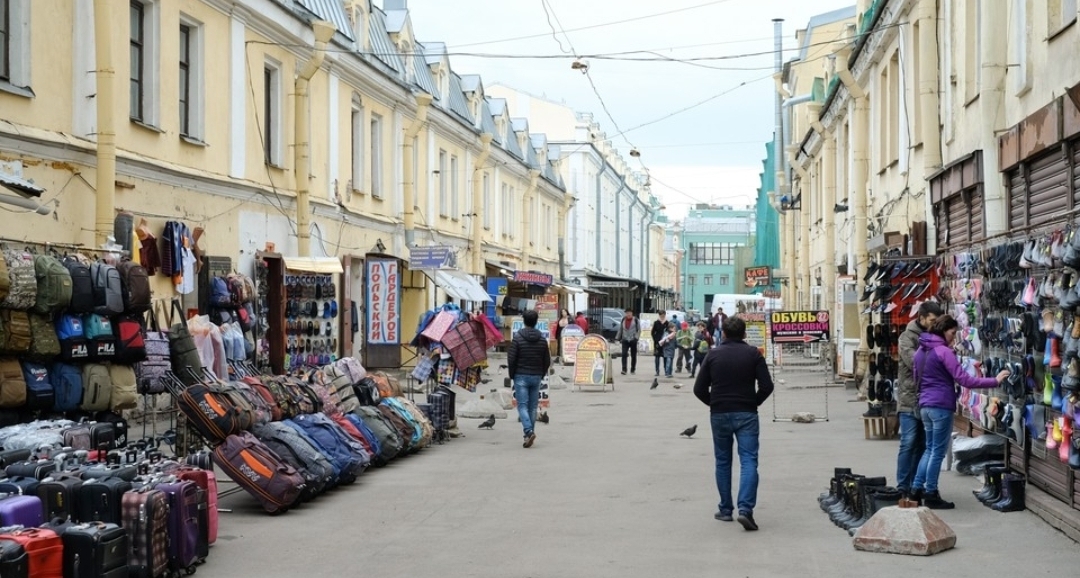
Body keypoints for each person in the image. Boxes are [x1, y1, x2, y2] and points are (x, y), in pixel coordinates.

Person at [910, 315, 1009, 508]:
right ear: (942, 330)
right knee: (937, 452)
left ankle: (915, 491)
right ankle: (931, 493)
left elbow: (916, 378)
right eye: (952, 333)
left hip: (925, 405)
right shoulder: (943, 352)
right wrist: (994, 381)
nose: (954, 338)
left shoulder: (920, 351)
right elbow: (965, 380)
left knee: (929, 450)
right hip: (941, 406)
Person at [693, 317, 774, 531]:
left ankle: (726, 510)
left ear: (725, 334)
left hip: (719, 414)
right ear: (744, 334)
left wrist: (715, 403)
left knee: (722, 461)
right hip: (746, 413)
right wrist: (753, 402)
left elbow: (698, 389)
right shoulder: (754, 354)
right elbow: (767, 386)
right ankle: (745, 509)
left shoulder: (713, 355)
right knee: (748, 460)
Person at [895, 301, 942, 501]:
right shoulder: (907, 337)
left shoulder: (936, 338)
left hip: (928, 399)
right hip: (909, 398)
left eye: (936, 321)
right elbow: (914, 361)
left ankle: (916, 485)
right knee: (908, 442)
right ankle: (902, 486)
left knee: (924, 445)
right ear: (921, 318)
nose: (934, 324)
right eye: (932, 320)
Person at [507, 310, 551, 449]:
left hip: (521, 375)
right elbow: (547, 360)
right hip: (536, 376)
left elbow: (511, 358)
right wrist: (541, 373)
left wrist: (512, 374)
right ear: (536, 321)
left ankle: (528, 431)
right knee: (532, 407)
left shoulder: (518, 338)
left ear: (524, 321)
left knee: (522, 405)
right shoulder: (542, 340)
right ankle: (528, 435)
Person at [613, 308, 640, 375]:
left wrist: (636, 338)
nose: (628, 314)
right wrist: (617, 338)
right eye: (627, 313)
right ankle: (624, 369)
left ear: (632, 313)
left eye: (629, 313)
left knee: (633, 355)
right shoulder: (623, 320)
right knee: (624, 354)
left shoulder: (636, 320)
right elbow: (620, 329)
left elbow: (639, 330)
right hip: (625, 339)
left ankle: (633, 369)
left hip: (633, 339)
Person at [651, 311, 668, 376]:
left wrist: (666, 339)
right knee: (657, 357)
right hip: (657, 342)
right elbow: (652, 332)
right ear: (659, 315)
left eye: (663, 315)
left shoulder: (667, 323)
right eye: (661, 315)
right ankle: (657, 371)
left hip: (665, 342)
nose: (662, 316)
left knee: (665, 357)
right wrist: (655, 339)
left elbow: (669, 332)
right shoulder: (656, 323)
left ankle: (666, 371)